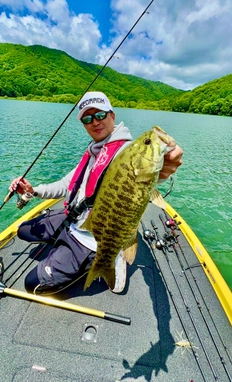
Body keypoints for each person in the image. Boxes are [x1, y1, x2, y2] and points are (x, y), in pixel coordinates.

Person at [9, 91, 183, 295]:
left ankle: (112, 256)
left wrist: (166, 165)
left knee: (33, 285)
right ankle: (64, 244)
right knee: (24, 230)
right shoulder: (95, 150)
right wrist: (33, 190)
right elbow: (67, 184)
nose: (95, 122)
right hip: (73, 217)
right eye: (87, 118)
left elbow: (149, 172)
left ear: (112, 116)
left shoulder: (126, 151)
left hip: (92, 237)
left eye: (100, 115)